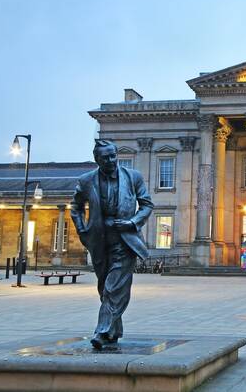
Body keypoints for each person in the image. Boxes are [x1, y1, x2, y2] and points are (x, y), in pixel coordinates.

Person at [70, 139, 154, 349]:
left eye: (112, 156)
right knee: (104, 287)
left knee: (114, 286)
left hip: (125, 240)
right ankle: (114, 331)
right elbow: (76, 206)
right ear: (97, 159)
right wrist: (82, 229)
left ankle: (102, 330)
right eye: (105, 157)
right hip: (99, 239)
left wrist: (132, 222)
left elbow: (146, 204)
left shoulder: (133, 177)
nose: (110, 160)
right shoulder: (87, 180)